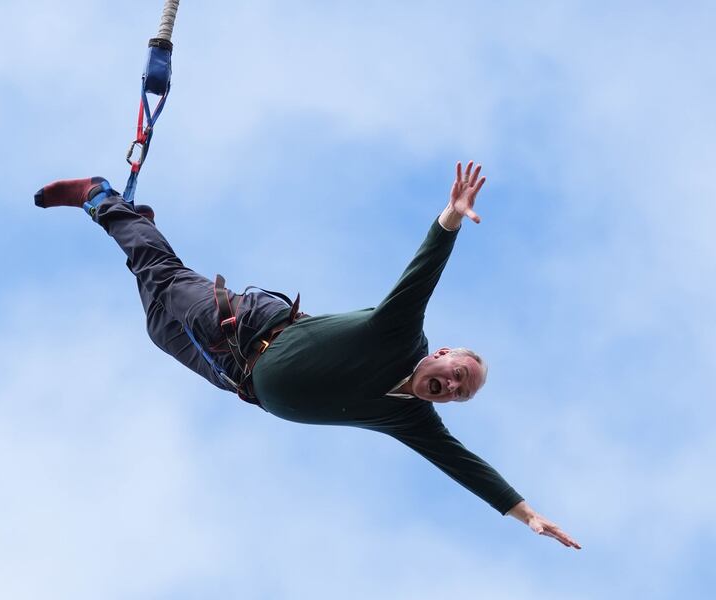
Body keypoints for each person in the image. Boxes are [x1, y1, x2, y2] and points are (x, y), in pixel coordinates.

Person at [35, 161, 581, 549]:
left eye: (461, 392)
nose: (454, 387)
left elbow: (464, 466)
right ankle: (100, 196)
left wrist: (526, 513)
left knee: (158, 321)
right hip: (247, 325)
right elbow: (424, 271)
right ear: (441, 354)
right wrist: (452, 217)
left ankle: (138, 224)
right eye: (458, 374)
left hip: (234, 374)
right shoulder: (399, 334)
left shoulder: (408, 417)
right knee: (165, 279)